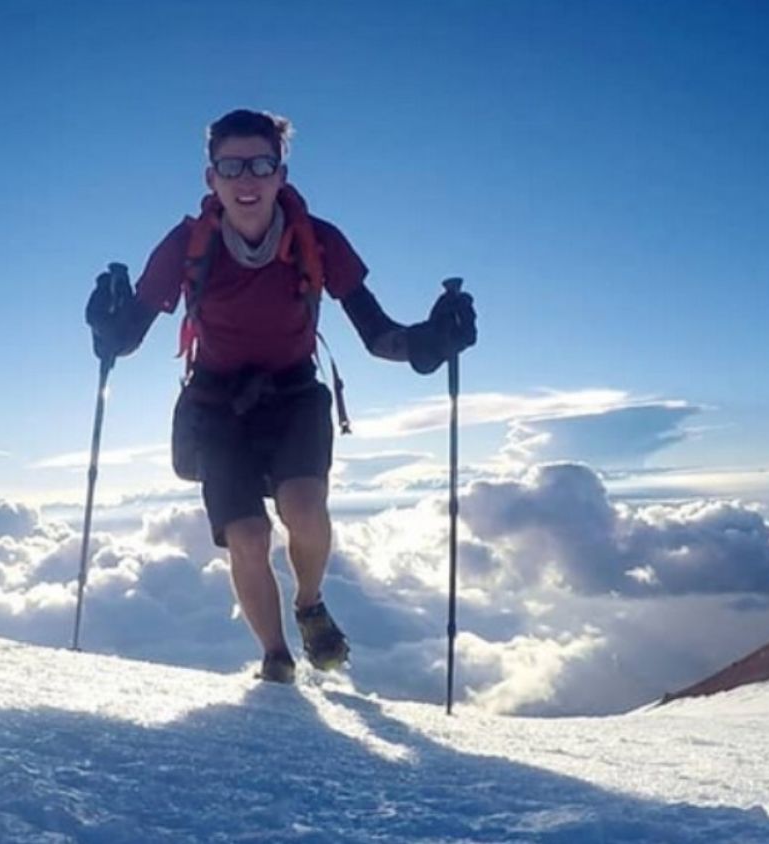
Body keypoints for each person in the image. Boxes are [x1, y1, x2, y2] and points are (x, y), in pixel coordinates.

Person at [86, 109, 477, 684]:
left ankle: (309, 604)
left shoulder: (317, 239)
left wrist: (429, 342)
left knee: (305, 510)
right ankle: (276, 658)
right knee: (247, 536)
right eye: (232, 166)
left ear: (281, 173)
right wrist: (108, 327)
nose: (247, 179)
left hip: (295, 394)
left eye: (261, 164)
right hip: (216, 406)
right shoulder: (185, 246)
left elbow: (377, 335)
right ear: (210, 177)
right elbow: (130, 335)